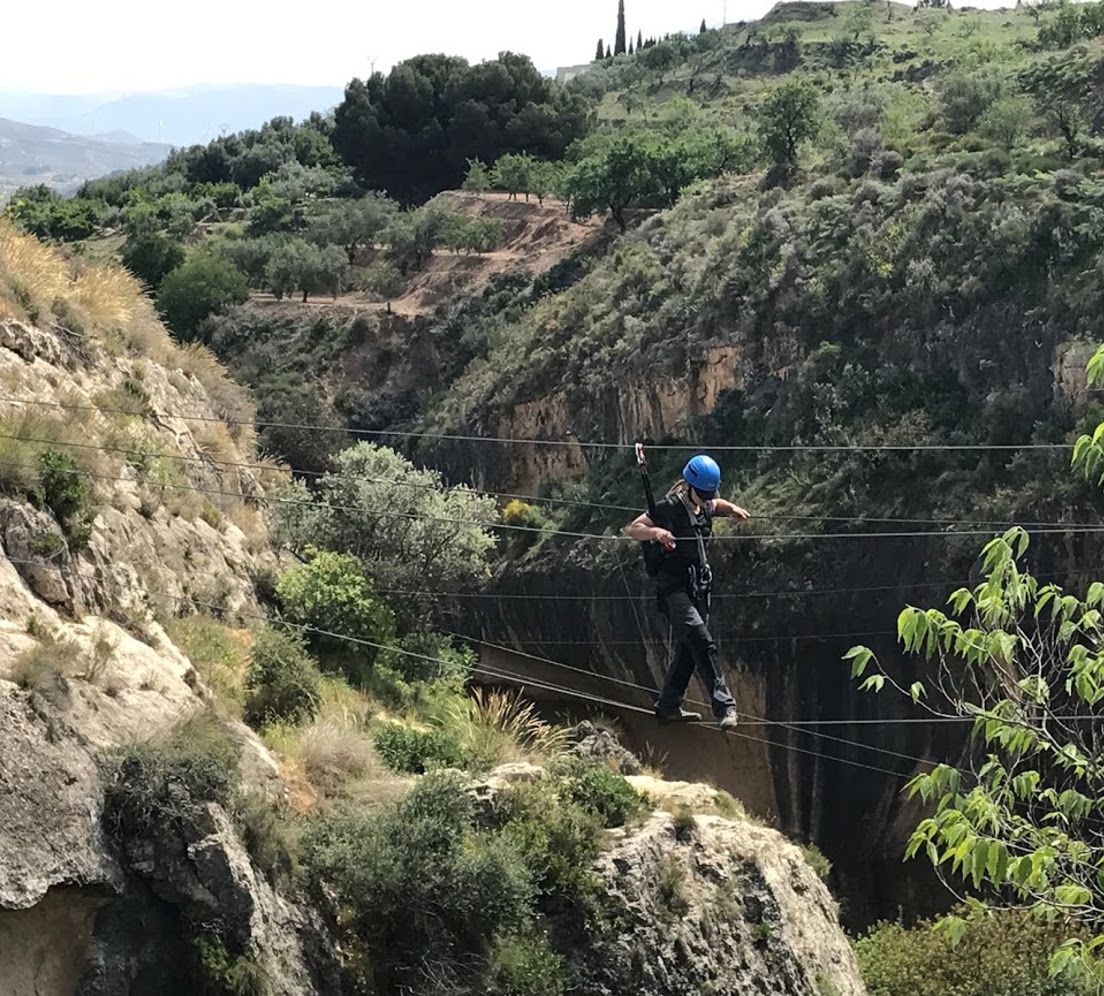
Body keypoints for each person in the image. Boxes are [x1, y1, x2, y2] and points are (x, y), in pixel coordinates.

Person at [624, 454, 749, 730]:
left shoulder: (704, 505)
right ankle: (725, 707)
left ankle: (669, 706)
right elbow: (634, 529)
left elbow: (718, 505)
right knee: (702, 641)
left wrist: (733, 509)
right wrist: (657, 533)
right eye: (702, 493)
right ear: (689, 487)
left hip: (698, 587)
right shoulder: (670, 507)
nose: (706, 499)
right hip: (673, 589)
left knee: (689, 649)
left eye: (708, 494)